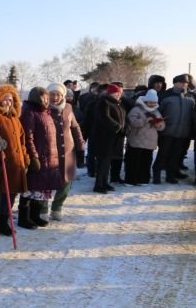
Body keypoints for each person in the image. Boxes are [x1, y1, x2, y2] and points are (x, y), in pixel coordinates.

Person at [0, 85, 29, 238]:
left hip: (16, 165)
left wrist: (25, 157)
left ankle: (3, 223)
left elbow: (22, 141)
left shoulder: (15, 119)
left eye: (11, 100)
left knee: (11, 195)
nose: (9, 103)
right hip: (0, 164)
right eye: (5, 99)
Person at [19, 87, 62, 228]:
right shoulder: (29, 113)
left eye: (47, 97)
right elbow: (28, 137)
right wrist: (34, 157)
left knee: (40, 189)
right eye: (44, 97)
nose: (46, 100)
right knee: (29, 189)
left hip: (48, 157)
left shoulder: (45, 113)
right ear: (37, 98)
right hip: (37, 158)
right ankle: (23, 219)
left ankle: (35, 216)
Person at [47, 83, 85, 221]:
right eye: (52, 94)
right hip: (50, 151)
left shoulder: (68, 108)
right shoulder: (44, 109)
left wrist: (80, 145)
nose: (55, 97)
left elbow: (75, 127)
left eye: (58, 94)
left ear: (63, 95)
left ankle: (57, 208)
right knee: (47, 182)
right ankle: (42, 209)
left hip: (68, 150)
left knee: (66, 181)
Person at [152, 74, 195, 184]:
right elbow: (158, 112)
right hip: (167, 132)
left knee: (176, 156)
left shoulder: (191, 97)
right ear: (175, 83)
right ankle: (156, 176)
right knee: (163, 155)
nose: (184, 85)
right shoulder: (166, 96)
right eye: (181, 83)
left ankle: (170, 177)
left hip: (183, 133)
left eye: (185, 83)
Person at [90, 84, 127, 193]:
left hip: (114, 137)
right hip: (104, 137)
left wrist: (124, 127)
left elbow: (123, 117)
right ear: (111, 93)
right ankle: (98, 185)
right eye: (117, 93)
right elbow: (105, 118)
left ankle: (105, 182)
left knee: (108, 161)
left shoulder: (118, 104)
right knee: (102, 161)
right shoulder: (104, 102)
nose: (119, 95)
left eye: (120, 93)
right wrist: (117, 126)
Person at [124, 89, 165, 185]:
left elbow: (162, 126)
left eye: (154, 102)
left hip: (150, 142)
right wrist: (145, 120)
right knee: (133, 162)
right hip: (136, 141)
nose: (152, 104)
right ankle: (130, 180)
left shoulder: (156, 112)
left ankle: (143, 180)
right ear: (146, 101)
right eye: (150, 102)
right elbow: (132, 121)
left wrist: (158, 125)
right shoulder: (136, 109)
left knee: (146, 162)